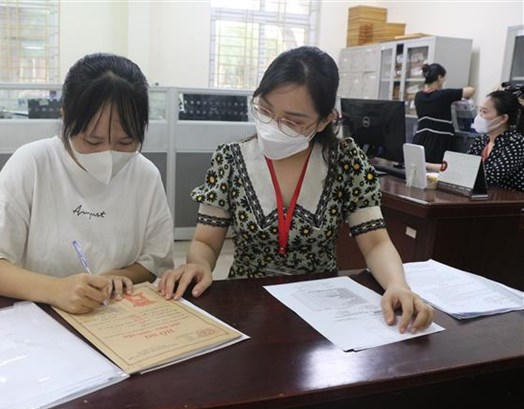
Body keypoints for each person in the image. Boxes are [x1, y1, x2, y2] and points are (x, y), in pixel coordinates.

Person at [160, 46, 434, 334]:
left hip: (321, 313)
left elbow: (376, 243)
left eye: (292, 121)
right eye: (265, 110)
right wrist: (199, 264)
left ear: (325, 120)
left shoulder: (345, 162)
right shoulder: (229, 160)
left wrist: (397, 285)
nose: (274, 126)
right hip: (246, 308)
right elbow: (206, 242)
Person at [0, 53, 174, 314]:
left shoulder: (145, 175)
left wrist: (120, 276)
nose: (108, 154)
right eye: (93, 141)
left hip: (113, 317)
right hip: (41, 316)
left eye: (126, 142)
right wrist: (54, 289)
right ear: (66, 118)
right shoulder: (33, 162)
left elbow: (155, 260)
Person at [412, 63, 475, 163]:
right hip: (438, 143)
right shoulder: (444, 95)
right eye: (444, 78)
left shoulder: (418, 96)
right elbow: (471, 91)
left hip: (419, 142)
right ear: (439, 77)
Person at [466, 90, 524, 191]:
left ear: (503, 118)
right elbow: (465, 165)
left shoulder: (516, 143)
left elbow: (491, 176)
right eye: (479, 111)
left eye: (484, 112)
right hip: (483, 195)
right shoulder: (482, 139)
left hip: (510, 198)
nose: (479, 116)